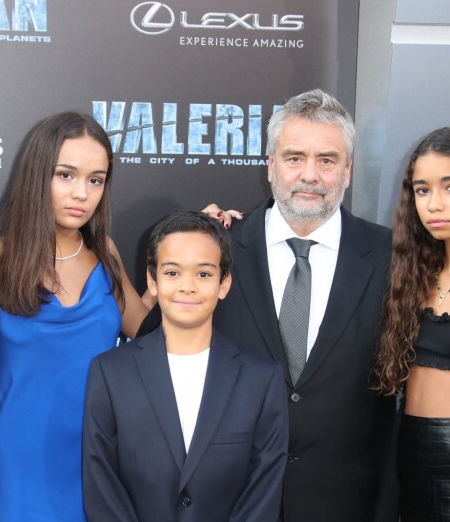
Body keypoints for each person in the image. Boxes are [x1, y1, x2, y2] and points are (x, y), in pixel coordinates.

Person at [0, 111, 153, 521]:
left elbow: (146, 330)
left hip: (106, 459)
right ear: (37, 174)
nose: (82, 193)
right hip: (27, 464)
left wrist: (186, 260)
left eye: (96, 180)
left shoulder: (104, 253)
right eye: (66, 175)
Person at [207, 89, 397, 521]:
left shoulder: (390, 255)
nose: (309, 174)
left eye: (327, 160)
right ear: (270, 165)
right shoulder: (216, 249)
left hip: (348, 506)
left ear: (347, 171)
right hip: (232, 501)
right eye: (294, 158)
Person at [83, 210, 288, 522]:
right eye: (172, 273)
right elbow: (102, 486)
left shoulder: (261, 380)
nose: (187, 286)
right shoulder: (110, 373)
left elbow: (262, 493)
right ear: (152, 280)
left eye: (203, 274)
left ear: (224, 282)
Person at [374, 127, 450, 521]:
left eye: (449, 187)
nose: (435, 204)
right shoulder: (413, 272)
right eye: (422, 190)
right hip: (407, 455)